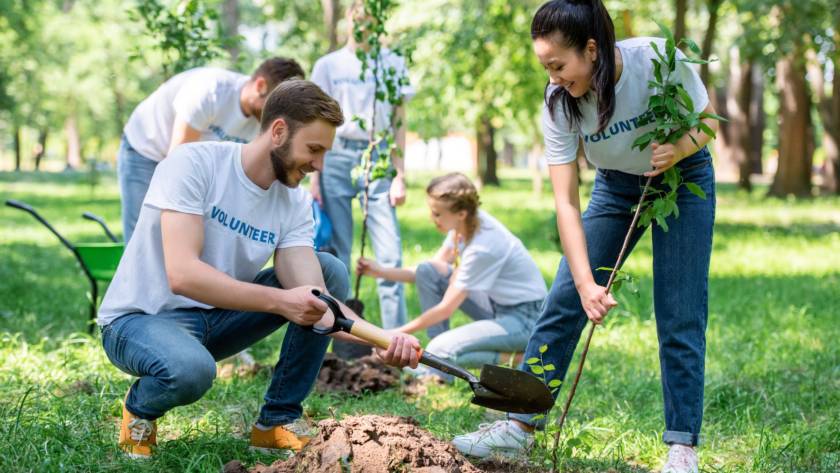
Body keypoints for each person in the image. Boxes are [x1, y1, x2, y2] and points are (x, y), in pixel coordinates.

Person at [451, 2, 718, 472]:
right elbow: (567, 203)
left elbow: (709, 122)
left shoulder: (658, 61)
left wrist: (676, 150)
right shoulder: (559, 102)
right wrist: (584, 283)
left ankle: (682, 447)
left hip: (681, 178)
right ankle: (518, 426)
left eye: (558, 65)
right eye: (545, 67)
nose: (553, 77)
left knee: (680, 309)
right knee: (561, 302)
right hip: (615, 185)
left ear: (591, 50)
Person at [97, 80, 420, 459]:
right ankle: (139, 411)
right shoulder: (195, 163)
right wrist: (282, 302)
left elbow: (318, 301)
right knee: (191, 370)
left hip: (215, 321)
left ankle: (276, 422)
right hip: (139, 321)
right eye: (313, 149)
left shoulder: (293, 202)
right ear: (279, 131)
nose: (318, 165)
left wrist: (382, 340)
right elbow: (182, 274)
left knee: (328, 269)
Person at [356, 173, 547, 380]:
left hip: (526, 320)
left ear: (461, 213)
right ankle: (437, 366)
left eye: (437, 214)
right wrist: (380, 272)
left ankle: (515, 359)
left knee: (441, 347)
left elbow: (445, 309)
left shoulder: (484, 246)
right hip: (496, 307)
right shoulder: (464, 226)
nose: (432, 218)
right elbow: (428, 271)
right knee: (428, 271)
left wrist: (396, 333)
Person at [310, 0, 414, 329]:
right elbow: (315, 120)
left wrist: (400, 173)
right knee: (338, 251)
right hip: (336, 154)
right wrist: (315, 176)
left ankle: (395, 338)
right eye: (357, 17)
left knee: (389, 254)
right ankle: (335, 330)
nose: (363, 24)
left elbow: (398, 120)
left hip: (379, 155)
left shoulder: (393, 63)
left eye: (370, 17)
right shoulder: (329, 65)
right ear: (348, 19)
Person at [118, 57, 305, 242]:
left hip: (187, 161)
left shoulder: (266, 122)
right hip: (146, 149)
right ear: (260, 86)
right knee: (145, 233)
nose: (280, 116)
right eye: (277, 106)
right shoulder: (211, 90)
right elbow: (177, 161)